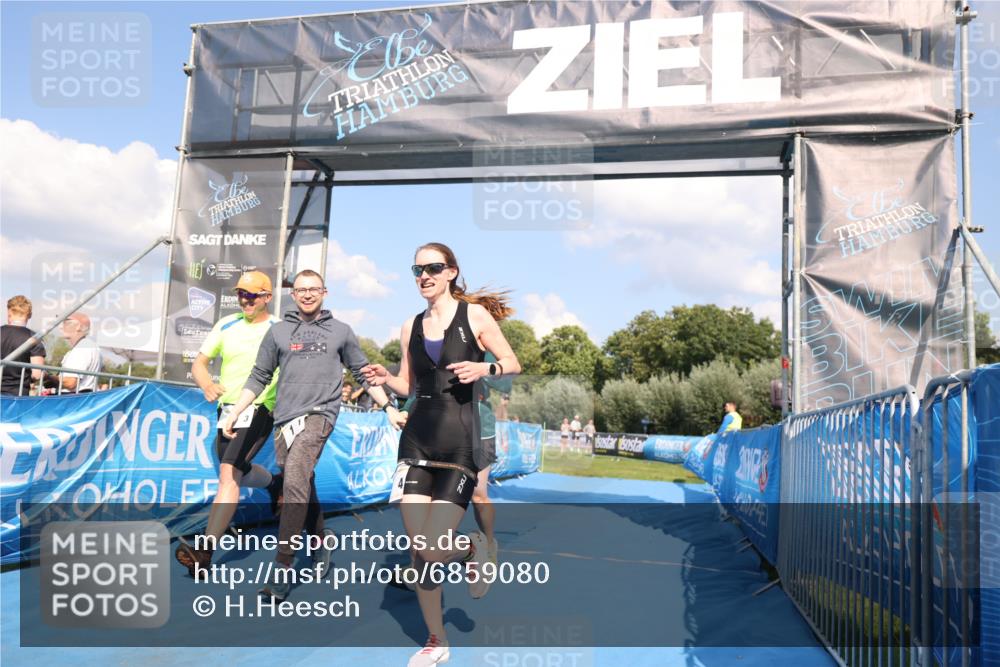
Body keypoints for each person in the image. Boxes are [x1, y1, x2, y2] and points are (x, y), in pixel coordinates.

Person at [361, 242, 520, 667]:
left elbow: (512, 362)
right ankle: (437, 640)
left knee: (432, 550)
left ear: (451, 272)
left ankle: (471, 549)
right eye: (417, 269)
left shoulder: (475, 317)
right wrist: (385, 377)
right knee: (419, 551)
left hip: (459, 443)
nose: (423, 276)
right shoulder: (409, 325)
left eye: (432, 268)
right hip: (415, 442)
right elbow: (407, 387)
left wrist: (486, 368)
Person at [222, 269, 403, 601]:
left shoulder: (341, 332)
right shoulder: (278, 332)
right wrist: (234, 411)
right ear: (293, 294)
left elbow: (364, 374)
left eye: (313, 289)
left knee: (294, 479)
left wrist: (389, 407)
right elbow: (259, 376)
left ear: (325, 292)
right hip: (284, 419)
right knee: (300, 480)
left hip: (321, 416)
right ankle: (320, 538)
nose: (307, 294)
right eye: (301, 289)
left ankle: (282, 564)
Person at [174, 271, 284, 576]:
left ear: (267, 297)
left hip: (262, 406)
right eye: (241, 294)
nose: (246, 300)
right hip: (227, 409)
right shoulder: (226, 324)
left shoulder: (279, 329)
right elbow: (199, 363)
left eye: (252, 295)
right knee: (237, 471)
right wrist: (208, 384)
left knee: (228, 473)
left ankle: (205, 551)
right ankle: (275, 483)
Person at [1, 295, 45, 396]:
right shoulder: (34, 338)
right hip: (18, 394)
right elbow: (37, 374)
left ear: (9, 313)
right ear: (30, 315)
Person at [55, 313, 102, 393]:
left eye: (66, 322)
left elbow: (71, 383)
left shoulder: (83, 348)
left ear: (78, 327)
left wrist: (47, 378)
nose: (61, 327)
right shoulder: (86, 346)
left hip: (73, 400)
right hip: (80, 398)